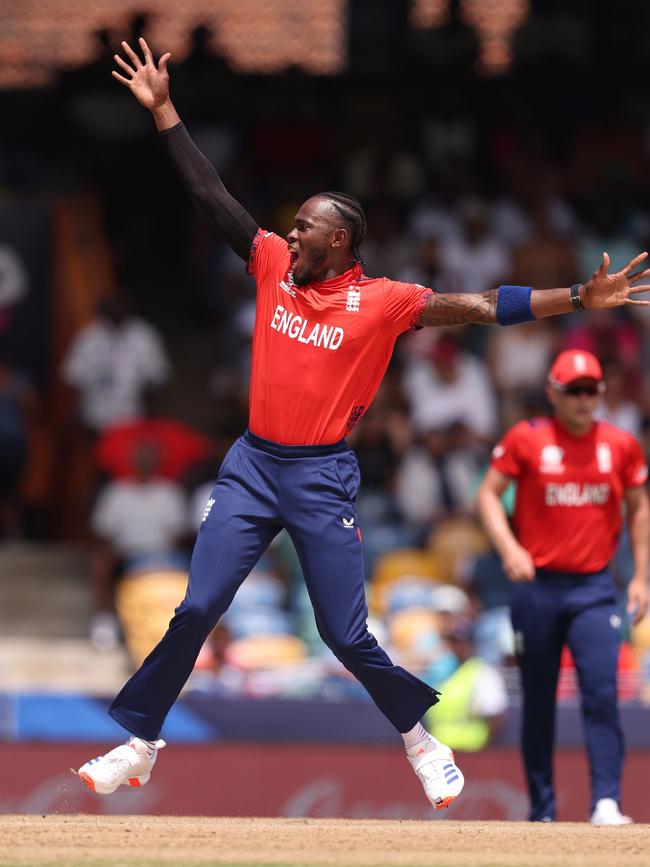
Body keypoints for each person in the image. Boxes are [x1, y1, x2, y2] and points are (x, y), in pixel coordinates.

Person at [76, 37, 650, 811]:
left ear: (338, 239)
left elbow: (482, 306)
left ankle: (421, 738)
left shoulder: (382, 300)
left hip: (319, 474)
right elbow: (211, 195)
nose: (292, 231)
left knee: (346, 634)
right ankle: (140, 742)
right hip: (252, 464)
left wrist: (581, 297)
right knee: (195, 606)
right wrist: (166, 110)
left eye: (307, 226)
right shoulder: (274, 263)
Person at [477, 349, 650, 825]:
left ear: (601, 393)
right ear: (553, 392)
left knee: (601, 691)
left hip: (595, 588)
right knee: (538, 697)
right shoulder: (527, 439)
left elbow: (640, 508)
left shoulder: (620, 444)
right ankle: (543, 810)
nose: (582, 399)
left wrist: (639, 577)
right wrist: (510, 549)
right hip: (538, 589)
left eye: (590, 390)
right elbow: (487, 495)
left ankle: (607, 802)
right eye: (572, 390)